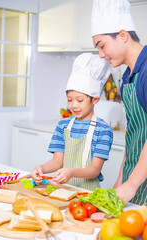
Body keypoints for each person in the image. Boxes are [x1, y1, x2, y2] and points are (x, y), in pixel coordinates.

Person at [91, 0, 147, 205]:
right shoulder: (128, 76)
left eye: (102, 45)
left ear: (122, 35)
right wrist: (121, 181)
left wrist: (131, 184)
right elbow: (133, 133)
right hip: (136, 179)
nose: (101, 54)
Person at [32, 53, 113, 190]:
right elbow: (57, 162)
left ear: (95, 100)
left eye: (80, 100)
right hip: (63, 190)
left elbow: (95, 170)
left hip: (87, 193)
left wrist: (71, 172)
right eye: (70, 99)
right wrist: (41, 168)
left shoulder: (103, 130)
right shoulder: (63, 125)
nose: (74, 105)